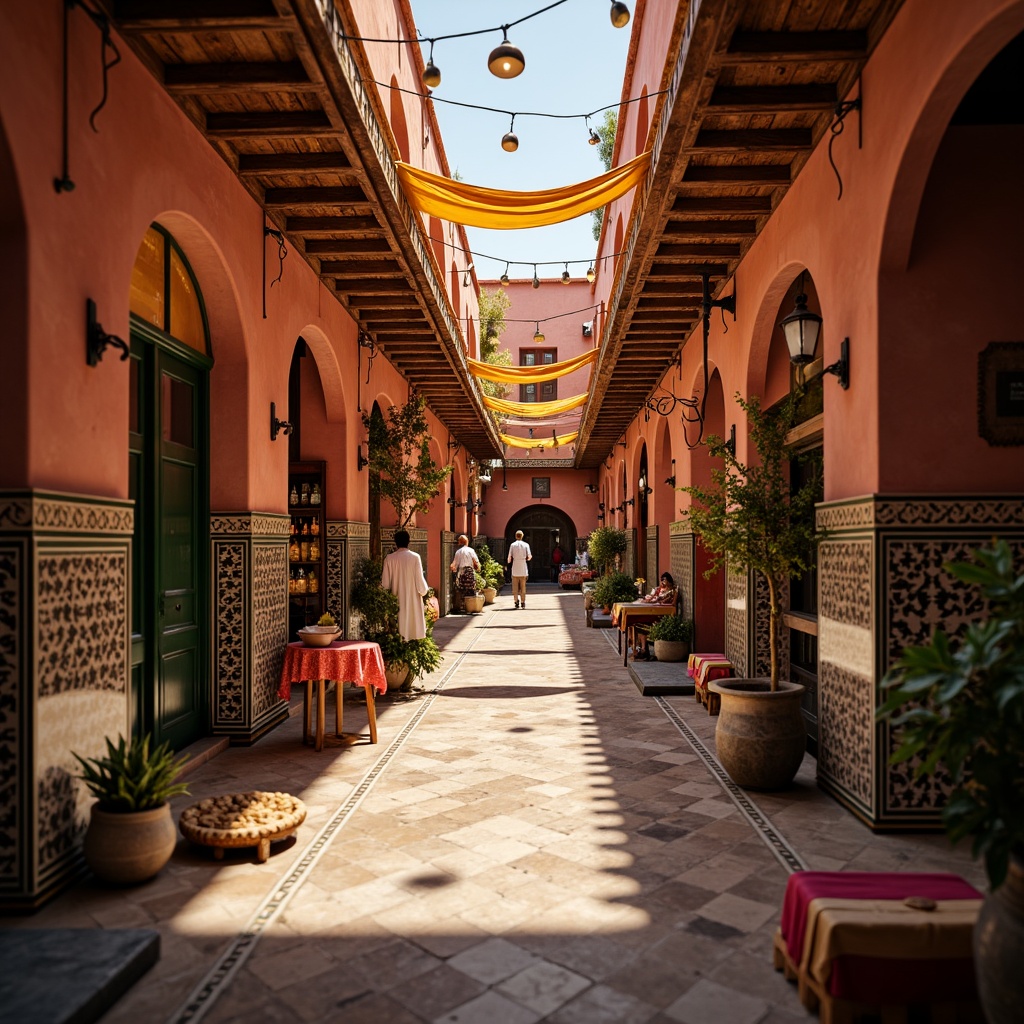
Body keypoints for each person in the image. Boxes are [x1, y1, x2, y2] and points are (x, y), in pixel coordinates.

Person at [381, 530, 429, 640]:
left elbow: (385, 583)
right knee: (413, 623)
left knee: (398, 623)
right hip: (412, 597)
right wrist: (423, 591)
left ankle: (399, 644)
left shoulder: (389, 558)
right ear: (408, 541)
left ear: (395, 542)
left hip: (396, 597)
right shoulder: (415, 557)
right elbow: (419, 579)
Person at [450, 534, 480, 612]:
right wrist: (478, 568)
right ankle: (471, 607)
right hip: (470, 572)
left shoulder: (458, 552)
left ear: (460, 542)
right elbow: (476, 561)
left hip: (462, 573)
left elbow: (455, 564)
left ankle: (463, 607)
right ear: (466, 542)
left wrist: (453, 570)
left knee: (462, 590)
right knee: (471, 589)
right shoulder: (471, 550)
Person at [506, 530, 532, 609]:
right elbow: (530, 556)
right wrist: (526, 559)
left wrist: (508, 563)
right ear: (522, 536)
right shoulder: (526, 545)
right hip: (523, 567)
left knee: (515, 587)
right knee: (523, 587)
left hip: (515, 567)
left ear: (516, 536)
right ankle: (523, 602)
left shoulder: (512, 545)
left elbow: (509, 557)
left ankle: (516, 601)